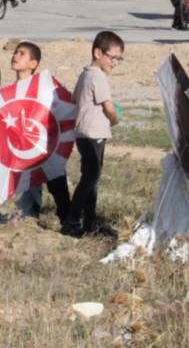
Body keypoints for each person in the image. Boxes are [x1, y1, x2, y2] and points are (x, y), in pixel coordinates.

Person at [9, 42, 73, 230]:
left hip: (45, 146)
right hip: (25, 149)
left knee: (56, 183)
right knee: (28, 185)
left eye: (22, 54)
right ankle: (29, 218)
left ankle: (68, 220)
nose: (15, 56)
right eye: (15, 52)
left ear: (33, 63)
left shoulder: (42, 86)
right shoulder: (12, 89)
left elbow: (60, 106)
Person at [66, 31, 124, 238]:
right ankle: (72, 221)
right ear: (98, 52)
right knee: (90, 178)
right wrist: (115, 120)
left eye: (119, 59)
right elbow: (109, 108)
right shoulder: (98, 77)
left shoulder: (85, 74)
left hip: (83, 133)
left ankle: (89, 223)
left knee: (91, 178)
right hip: (94, 134)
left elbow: (74, 99)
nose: (115, 63)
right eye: (113, 57)